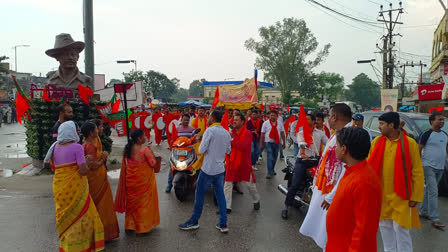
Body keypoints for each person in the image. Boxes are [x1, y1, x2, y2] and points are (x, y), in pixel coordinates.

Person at [44, 121, 104, 252]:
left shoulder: (54, 147)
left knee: (65, 215)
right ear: (71, 132)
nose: (78, 133)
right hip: (76, 188)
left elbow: (54, 168)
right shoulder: (77, 147)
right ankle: (81, 246)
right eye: (76, 130)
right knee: (82, 215)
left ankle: (67, 246)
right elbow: (83, 171)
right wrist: (87, 162)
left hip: (60, 187)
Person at [368, 112, 424, 252]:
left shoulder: (410, 144)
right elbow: (369, 167)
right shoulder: (376, 142)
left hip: (401, 196)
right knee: (385, 230)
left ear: (391, 125)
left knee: (401, 230)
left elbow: (417, 171)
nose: (379, 127)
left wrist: (415, 196)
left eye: (381, 124)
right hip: (382, 196)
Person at [299, 103, 352, 249]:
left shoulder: (348, 135)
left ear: (335, 117)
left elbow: (347, 169)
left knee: (330, 232)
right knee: (325, 231)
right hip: (327, 189)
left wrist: (331, 196)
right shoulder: (338, 133)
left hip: (334, 193)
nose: (328, 119)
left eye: (329, 115)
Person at [326, 127, 382, 252]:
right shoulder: (353, 171)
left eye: (337, 145)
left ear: (344, 149)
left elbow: (364, 230)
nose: (335, 149)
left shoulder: (364, 182)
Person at [179, 110, 231, 233]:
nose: (207, 118)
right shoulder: (226, 133)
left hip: (208, 169)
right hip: (219, 169)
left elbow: (201, 150)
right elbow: (228, 151)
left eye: (209, 116)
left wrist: (199, 142)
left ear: (212, 118)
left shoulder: (209, 131)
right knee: (220, 196)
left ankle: (194, 221)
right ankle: (223, 224)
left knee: (199, 194)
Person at [281, 112, 327, 219]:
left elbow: (328, 143)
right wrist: (303, 153)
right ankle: (286, 207)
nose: (306, 121)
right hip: (302, 160)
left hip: (316, 161)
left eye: (308, 119)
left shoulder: (320, 133)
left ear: (314, 121)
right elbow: (301, 143)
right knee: (295, 184)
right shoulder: (301, 133)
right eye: (304, 119)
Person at [115, 129, 160, 234]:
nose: (145, 138)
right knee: (143, 204)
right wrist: (154, 154)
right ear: (139, 139)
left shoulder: (127, 149)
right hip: (143, 182)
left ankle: (130, 226)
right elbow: (153, 164)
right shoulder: (145, 150)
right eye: (143, 136)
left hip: (130, 181)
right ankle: (142, 227)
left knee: (132, 204)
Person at [81, 121, 119, 241]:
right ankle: (103, 233)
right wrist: (104, 158)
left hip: (93, 179)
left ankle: (97, 233)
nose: (98, 130)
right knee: (101, 205)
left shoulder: (85, 143)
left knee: (95, 204)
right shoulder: (90, 146)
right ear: (91, 133)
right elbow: (94, 165)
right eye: (96, 129)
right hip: (96, 179)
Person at [223, 114, 261, 213]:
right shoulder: (231, 133)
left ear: (242, 122)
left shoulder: (247, 133)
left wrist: (231, 140)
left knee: (249, 185)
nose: (234, 121)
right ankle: (227, 207)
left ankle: (256, 200)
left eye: (236, 120)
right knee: (227, 183)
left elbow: (243, 146)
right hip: (232, 162)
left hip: (244, 163)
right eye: (233, 120)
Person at [418, 112, 447, 229]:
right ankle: (435, 218)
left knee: (430, 190)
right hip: (428, 166)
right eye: (439, 119)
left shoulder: (445, 135)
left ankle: (423, 211)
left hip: (440, 167)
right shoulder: (426, 134)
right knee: (434, 191)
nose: (442, 121)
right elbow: (418, 149)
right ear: (432, 121)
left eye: (443, 120)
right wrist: (419, 164)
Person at [166, 113, 196, 193]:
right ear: (181, 120)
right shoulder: (177, 129)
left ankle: (196, 183)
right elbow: (173, 139)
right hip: (178, 151)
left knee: (195, 165)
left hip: (189, 151)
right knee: (172, 166)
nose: (186, 121)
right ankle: (169, 185)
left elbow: (195, 138)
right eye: (184, 120)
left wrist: (196, 139)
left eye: (187, 120)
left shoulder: (192, 129)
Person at [260, 110, 286, 179]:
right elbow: (262, 134)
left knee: (275, 157)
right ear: (269, 116)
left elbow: (282, 134)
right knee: (270, 156)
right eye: (271, 115)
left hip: (277, 143)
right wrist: (261, 144)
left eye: (274, 115)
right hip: (268, 142)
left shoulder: (280, 124)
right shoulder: (265, 123)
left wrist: (284, 143)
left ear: (277, 116)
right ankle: (269, 172)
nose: (272, 117)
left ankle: (272, 169)